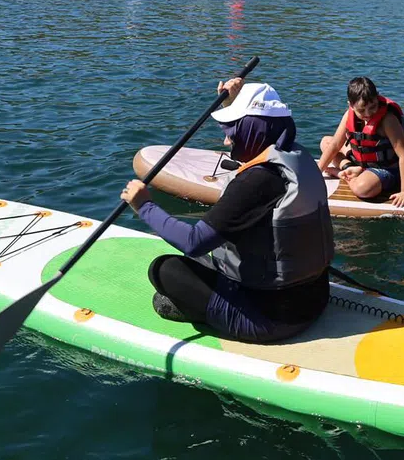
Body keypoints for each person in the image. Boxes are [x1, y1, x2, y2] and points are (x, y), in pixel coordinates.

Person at [120, 78, 333, 343]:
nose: (225, 141)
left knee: (164, 269)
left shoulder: (257, 182)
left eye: (233, 131)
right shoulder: (299, 159)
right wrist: (233, 101)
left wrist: (145, 206)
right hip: (315, 298)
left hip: (272, 319)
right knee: (209, 259)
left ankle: (207, 313)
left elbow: (193, 242)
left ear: (252, 129)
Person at [317, 77, 404, 207]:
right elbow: (335, 145)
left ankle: (343, 174)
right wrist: (317, 173)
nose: (368, 113)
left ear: (377, 98)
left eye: (373, 107)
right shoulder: (349, 115)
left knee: (362, 189)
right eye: (361, 110)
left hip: (386, 169)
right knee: (326, 142)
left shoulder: (388, 120)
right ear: (351, 105)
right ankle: (351, 169)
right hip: (362, 162)